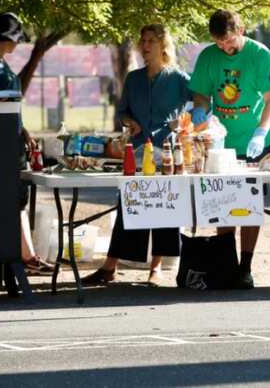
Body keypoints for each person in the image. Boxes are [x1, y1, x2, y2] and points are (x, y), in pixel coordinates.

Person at [82, 24, 192, 287]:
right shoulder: (133, 78)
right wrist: (129, 121)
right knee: (129, 205)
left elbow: (202, 105)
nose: (145, 46)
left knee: (165, 208)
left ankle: (156, 268)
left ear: (164, 45)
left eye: (151, 41)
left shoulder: (179, 78)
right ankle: (110, 266)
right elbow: (121, 112)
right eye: (143, 41)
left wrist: (182, 122)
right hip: (138, 151)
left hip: (167, 153)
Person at [188, 9, 270, 289]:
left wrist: (261, 132)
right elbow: (202, 94)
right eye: (219, 43)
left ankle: (246, 266)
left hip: (253, 143)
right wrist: (200, 111)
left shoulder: (260, 54)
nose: (225, 48)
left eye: (228, 42)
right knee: (225, 205)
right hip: (221, 146)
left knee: (250, 208)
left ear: (240, 30)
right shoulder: (208, 57)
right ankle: (226, 262)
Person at [0, 12, 54, 275]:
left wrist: (23, 128)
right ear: (6, 38)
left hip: (10, 136)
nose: (18, 45)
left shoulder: (0, 62)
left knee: (19, 197)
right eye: (16, 39)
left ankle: (25, 254)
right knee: (12, 198)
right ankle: (25, 256)